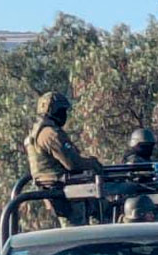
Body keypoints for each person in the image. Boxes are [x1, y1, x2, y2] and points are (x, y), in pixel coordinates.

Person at [24, 91, 103, 227]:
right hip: (65, 193)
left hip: (56, 191)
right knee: (77, 234)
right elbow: (73, 163)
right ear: (52, 110)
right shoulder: (50, 134)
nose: (64, 114)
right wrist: (93, 163)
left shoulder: (37, 132)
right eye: (61, 110)